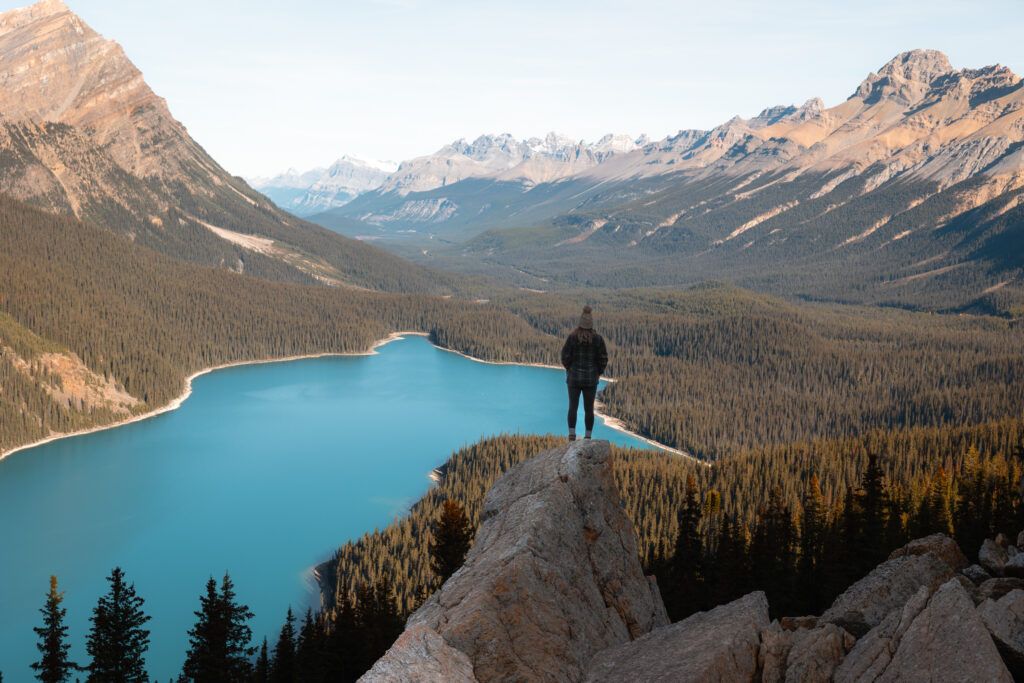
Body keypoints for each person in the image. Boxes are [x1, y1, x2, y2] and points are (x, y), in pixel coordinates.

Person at [561, 305, 608, 441]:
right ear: (591, 324)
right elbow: (603, 358)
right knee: (589, 409)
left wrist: (569, 369)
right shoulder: (598, 339)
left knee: (573, 407)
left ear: (580, 324)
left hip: (573, 379)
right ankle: (587, 437)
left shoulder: (572, 337)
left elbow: (564, 357)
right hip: (590, 380)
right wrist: (598, 372)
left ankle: (572, 435)